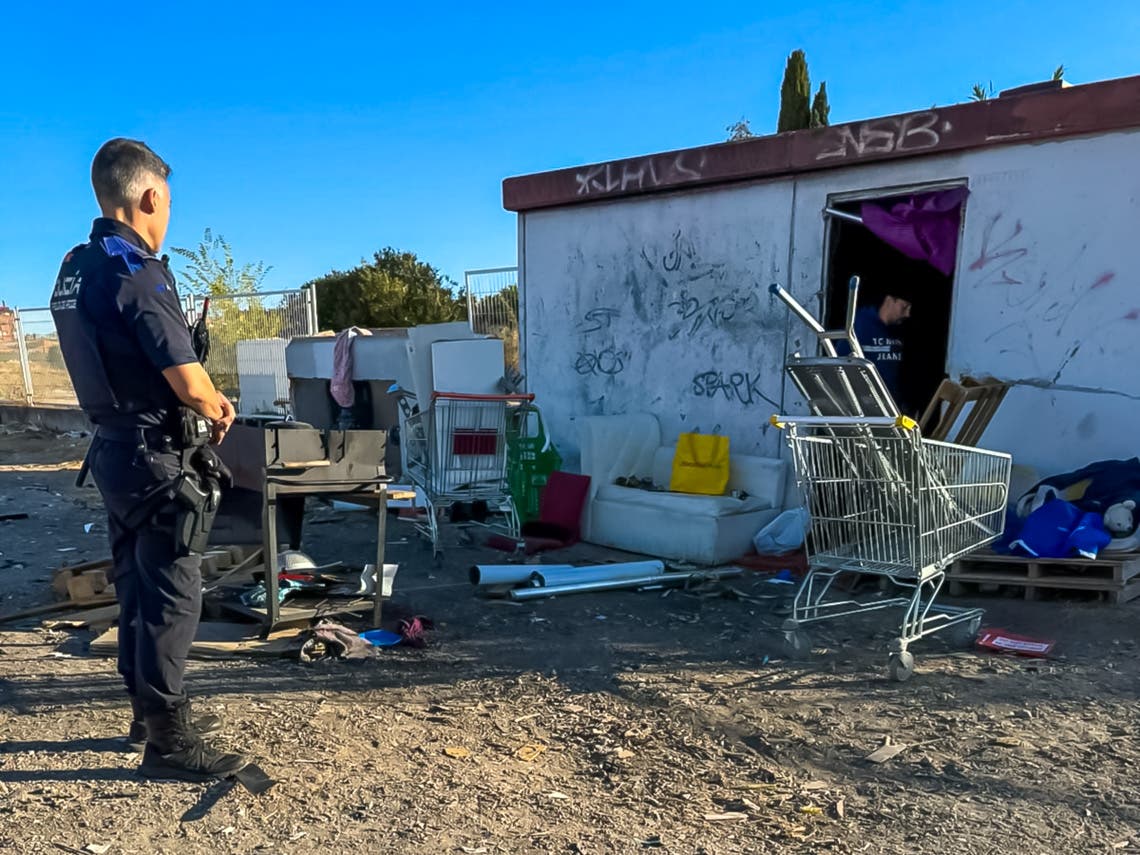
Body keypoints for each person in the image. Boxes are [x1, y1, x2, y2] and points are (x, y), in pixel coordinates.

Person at [49, 138, 247, 782]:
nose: (168, 219)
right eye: (167, 205)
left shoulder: (76, 265)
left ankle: (146, 711)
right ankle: (168, 741)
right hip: (156, 453)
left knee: (135, 582)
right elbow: (187, 380)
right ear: (149, 196)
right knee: (171, 593)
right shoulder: (137, 268)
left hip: (111, 448)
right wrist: (219, 405)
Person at [843, 289, 913, 415]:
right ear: (889, 300)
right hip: (862, 408)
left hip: (894, 408)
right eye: (904, 306)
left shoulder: (905, 331)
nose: (907, 314)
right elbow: (842, 364)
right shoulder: (859, 325)